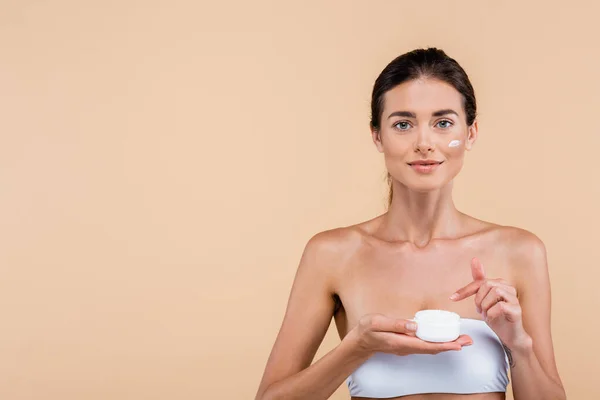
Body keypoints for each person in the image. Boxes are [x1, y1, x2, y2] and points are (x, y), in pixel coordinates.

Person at [254, 48, 566, 400]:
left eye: (443, 123)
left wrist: (518, 345)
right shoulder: (331, 255)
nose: (423, 143)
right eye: (403, 124)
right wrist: (355, 348)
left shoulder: (520, 252)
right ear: (377, 136)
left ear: (471, 133)